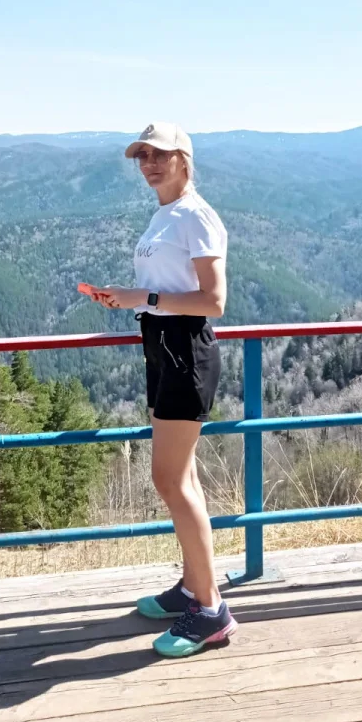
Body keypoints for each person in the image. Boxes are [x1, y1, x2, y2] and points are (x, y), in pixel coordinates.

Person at [87, 121, 238, 658]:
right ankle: (193, 588)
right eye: (142, 156)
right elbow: (166, 289)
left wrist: (143, 297)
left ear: (184, 160)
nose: (149, 163)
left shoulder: (196, 215)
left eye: (160, 155)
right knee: (183, 479)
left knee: (169, 480)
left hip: (184, 350)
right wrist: (130, 297)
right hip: (162, 347)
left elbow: (213, 301)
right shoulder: (165, 214)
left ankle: (211, 611)